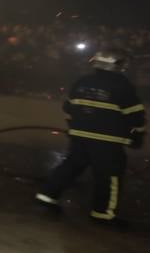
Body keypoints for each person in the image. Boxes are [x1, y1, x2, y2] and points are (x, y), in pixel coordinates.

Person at [36, 48, 146, 222]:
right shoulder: (122, 85)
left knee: (72, 166)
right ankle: (103, 214)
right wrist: (137, 134)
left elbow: (69, 108)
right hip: (108, 140)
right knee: (109, 176)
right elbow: (135, 114)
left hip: (80, 135)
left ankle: (46, 195)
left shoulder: (83, 81)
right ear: (118, 65)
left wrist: (75, 128)